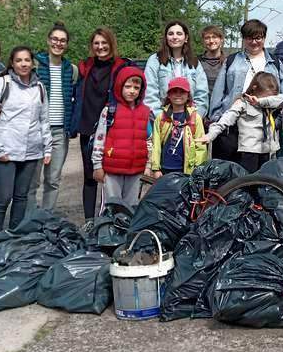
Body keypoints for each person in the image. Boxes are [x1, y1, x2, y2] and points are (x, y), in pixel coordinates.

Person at [0, 46, 51, 235]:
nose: (23, 64)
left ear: (32, 62)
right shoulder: (2, 83)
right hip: (5, 151)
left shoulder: (40, 87)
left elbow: (44, 119)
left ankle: (14, 237)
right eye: (19, 60)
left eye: (27, 60)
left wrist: (48, 148)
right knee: (3, 198)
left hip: (31, 151)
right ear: (12, 63)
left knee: (21, 197)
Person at [209, 19, 283, 162]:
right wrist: (216, 118)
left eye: (258, 38)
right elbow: (219, 90)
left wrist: (278, 120)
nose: (254, 42)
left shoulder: (275, 63)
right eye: (249, 38)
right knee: (230, 171)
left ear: (264, 38)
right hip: (233, 124)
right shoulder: (232, 60)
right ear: (244, 39)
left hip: (262, 126)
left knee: (258, 172)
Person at [71, 27, 130, 219]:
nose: (100, 47)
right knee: (90, 177)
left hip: (112, 129)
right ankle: (89, 221)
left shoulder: (122, 66)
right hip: (88, 128)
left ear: (111, 44)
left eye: (104, 43)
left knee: (111, 177)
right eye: (96, 43)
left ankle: (110, 221)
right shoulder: (85, 66)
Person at [26, 22, 76, 217]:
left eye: (63, 40)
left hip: (59, 132)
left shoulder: (70, 69)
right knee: (32, 182)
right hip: (36, 130)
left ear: (67, 44)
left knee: (53, 179)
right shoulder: (35, 64)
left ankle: (45, 218)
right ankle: (29, 219)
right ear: (48, 40)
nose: (58, 43)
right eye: (55, 39)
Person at [200, 72, 283, 172]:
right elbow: (226, 119)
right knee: (248, 181)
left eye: (270, 98)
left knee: (266, 181)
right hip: (250, 151)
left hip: (268, 150)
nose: (268, 100)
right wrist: (211, 135)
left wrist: (260, 102)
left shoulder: (271, 104)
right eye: (265, 97)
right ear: (254, 88)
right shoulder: (242, 103)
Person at [91, 67, 151, 208]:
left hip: (136, 170)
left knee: (130, 208)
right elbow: (99, 140)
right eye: (128, 86)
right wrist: (97, 165)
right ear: (119, 86)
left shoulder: (146, 112)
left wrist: (148, 165)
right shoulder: (110, 110)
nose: (132, 91)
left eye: (136, 87)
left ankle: (126, 230)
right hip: (112, 170)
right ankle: (107, 230)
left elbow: (149, 140)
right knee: (111, 208)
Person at [144, 20, 209, 118]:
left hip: (190, 121)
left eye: (179, 34)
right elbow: (149, 93)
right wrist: (162, 119)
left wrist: (195, 119)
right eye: (170, 34)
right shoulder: (155, 60)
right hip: (162, 119)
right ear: (166, 37)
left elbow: (202, 94)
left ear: (186, 38)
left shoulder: (194, 62)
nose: (174, 37)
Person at [150, 77, 207, 176]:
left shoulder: (195, 118)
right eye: (174, 91)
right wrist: (155, 169)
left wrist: (197, 169)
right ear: (168, 95)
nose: (178, 94)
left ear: (188, 95)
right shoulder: (161, 117)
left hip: (186, 170)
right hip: (164, 169)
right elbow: (156, 144)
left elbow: (200, 146)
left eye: (182, 92)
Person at [199, 25, 227, 95]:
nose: (211, 41)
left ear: (221, 39)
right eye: (207, 38)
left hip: (222, 103)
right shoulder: (197, 61)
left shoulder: (229, 61)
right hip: (201, 103)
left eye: (214, 37)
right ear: (203, 41)